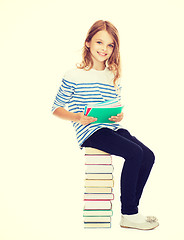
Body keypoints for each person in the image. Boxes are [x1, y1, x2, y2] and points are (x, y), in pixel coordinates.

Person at [52, 20, 159, 230]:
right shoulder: (73, 75)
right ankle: (129, 213)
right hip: (90, 131)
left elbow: (114, 106)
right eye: (100, 42)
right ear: (88, 42)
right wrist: (77, 117)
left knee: (148, 155)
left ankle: (132, 211)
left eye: (110, 45)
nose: (104, 49)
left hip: (111, 128)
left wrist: (118, 116)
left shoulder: (112, 75)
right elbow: (56, 108)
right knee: (134, 153)